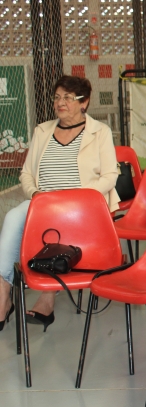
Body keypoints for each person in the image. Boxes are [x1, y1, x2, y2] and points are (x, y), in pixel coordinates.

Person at [0, 76, 119, 332]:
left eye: (68, 97)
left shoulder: (100, 131)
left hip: (82, 206)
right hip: (43, 203)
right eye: (57, 97)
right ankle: (3, 292)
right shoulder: (42, 130)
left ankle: (47, 296)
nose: (60, 102)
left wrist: (79, 198)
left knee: (59, 227)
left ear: (84, 102)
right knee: (12, 217)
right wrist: (36, 196)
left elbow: (110, 176)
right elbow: (26, 174)